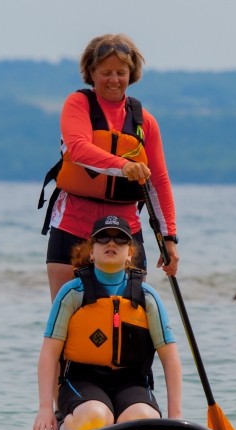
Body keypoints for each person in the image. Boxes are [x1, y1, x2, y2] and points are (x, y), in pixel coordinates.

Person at [39, 33, 180, 301]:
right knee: (67, 322)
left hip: (126, 232)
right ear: (91, 72)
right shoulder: (78, 104)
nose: (114, 80)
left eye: (120, 72)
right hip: (73, 226)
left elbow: (159, 182)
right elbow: (79, 150)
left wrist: (169, 239)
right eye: (106, 72)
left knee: (129, 321)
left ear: (131, 74)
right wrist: (124, 166)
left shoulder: (144, 122)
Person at [32, 215, 182, 430]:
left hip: (132, 382)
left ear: (130, 253)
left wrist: (175, 418)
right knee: (96, 417)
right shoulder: (73, 293)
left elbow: (170, 358)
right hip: (82, 381)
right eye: (102, 239)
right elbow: (49, 353)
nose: (111, 243)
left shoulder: (146, 297)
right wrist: (45, 409)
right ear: (91, 252)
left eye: (120, 239)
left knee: (140, 420)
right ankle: (64, 427)